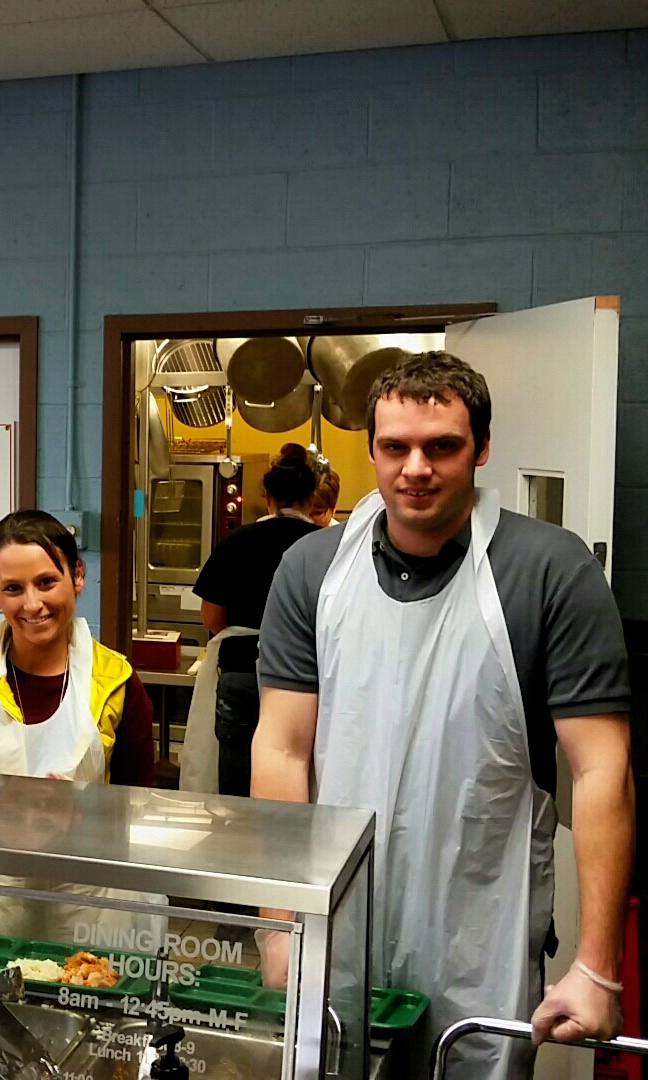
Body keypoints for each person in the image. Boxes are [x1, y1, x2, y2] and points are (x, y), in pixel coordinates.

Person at [252, 352, 634, 1079]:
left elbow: (601, 768)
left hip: (481, 916)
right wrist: (279, 923)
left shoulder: (551, 570)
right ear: (370, 450)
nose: (415, 468)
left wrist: (599, 965)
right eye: (394, 447)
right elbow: (282, 749)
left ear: (482, 450)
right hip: (338, 912)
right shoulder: (311, 572)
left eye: (442, 447)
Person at [0, 510, 162, 942]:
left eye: (47, 582)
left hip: (88, 901)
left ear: (77, 577)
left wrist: (81, 815)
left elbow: (136, 808)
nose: (32, 604)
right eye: (13, 588)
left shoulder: (116, 681)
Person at [183, 444, 320, 796]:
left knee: (237, 783)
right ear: (312, 497)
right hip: (310, 680)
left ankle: (235, 847)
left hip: (240, 673)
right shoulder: (322, 547)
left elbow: (212, 616)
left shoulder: (238, 541)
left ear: (268, 497)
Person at [309, 461, 341, 527]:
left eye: (317, 513)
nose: (308, 520)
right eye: (304, 513)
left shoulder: (344, 536)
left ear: (333, 509)